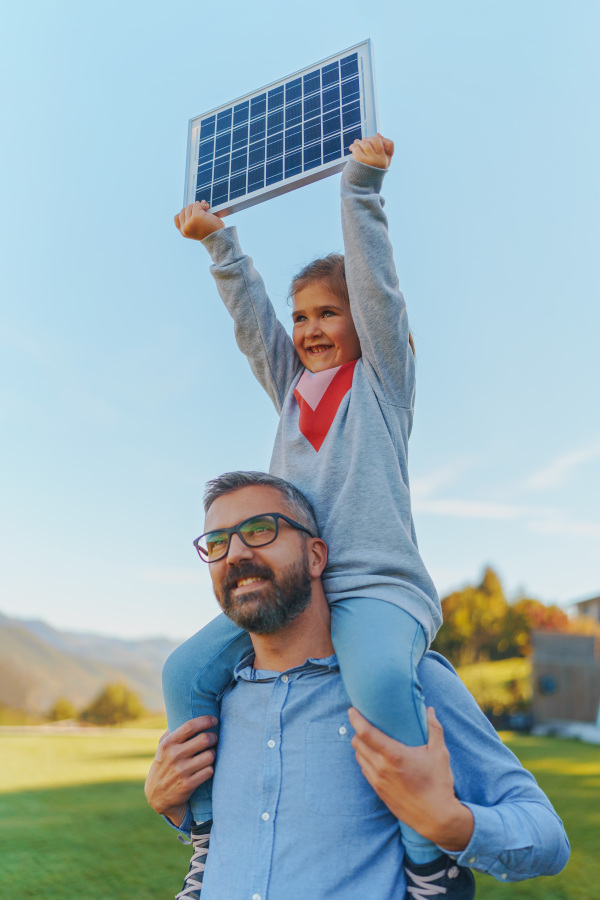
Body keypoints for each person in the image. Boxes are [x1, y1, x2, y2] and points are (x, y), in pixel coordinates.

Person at [167, 134, 457, 896]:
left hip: (373, 592)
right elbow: (250, 321)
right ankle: (206, 834)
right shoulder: (291, 393)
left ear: (362, 325)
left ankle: (428, 858)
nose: (311, 329)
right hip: (293, 590)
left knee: (382, 683)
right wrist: (218, 241)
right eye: (302, 318)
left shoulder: (383, 388)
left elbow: (381, 291)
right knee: (183, 675)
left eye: (330, 313)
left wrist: (359, 188)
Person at [147, 472, 570, 900]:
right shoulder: (216, 709)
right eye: (216, 542)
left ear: (315, 556)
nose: (234, 553)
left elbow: (548, 837)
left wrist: (449, 823)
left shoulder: (413, 683)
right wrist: (173, 805)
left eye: (260, 530)